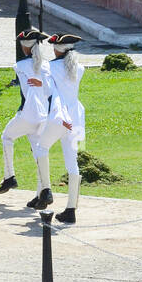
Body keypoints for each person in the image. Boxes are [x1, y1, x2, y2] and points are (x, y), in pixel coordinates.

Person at [0, 27, 59, 207]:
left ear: (25, 47)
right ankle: (42, 193)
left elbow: (27, 87)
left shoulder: (20, 65)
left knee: (6, 137)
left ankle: (9, 176)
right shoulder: (47, 65)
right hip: (43, 116)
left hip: (28, 114)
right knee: (39, 154)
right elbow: (48, 88)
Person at [37, 34, 85, 224]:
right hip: (75, 119)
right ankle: (71, 209)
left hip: (59, 116)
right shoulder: (79, 68)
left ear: (58, 48)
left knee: (42, 148)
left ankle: (46, 189)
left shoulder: (49, 66)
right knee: (73, 163)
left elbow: (48, 91)